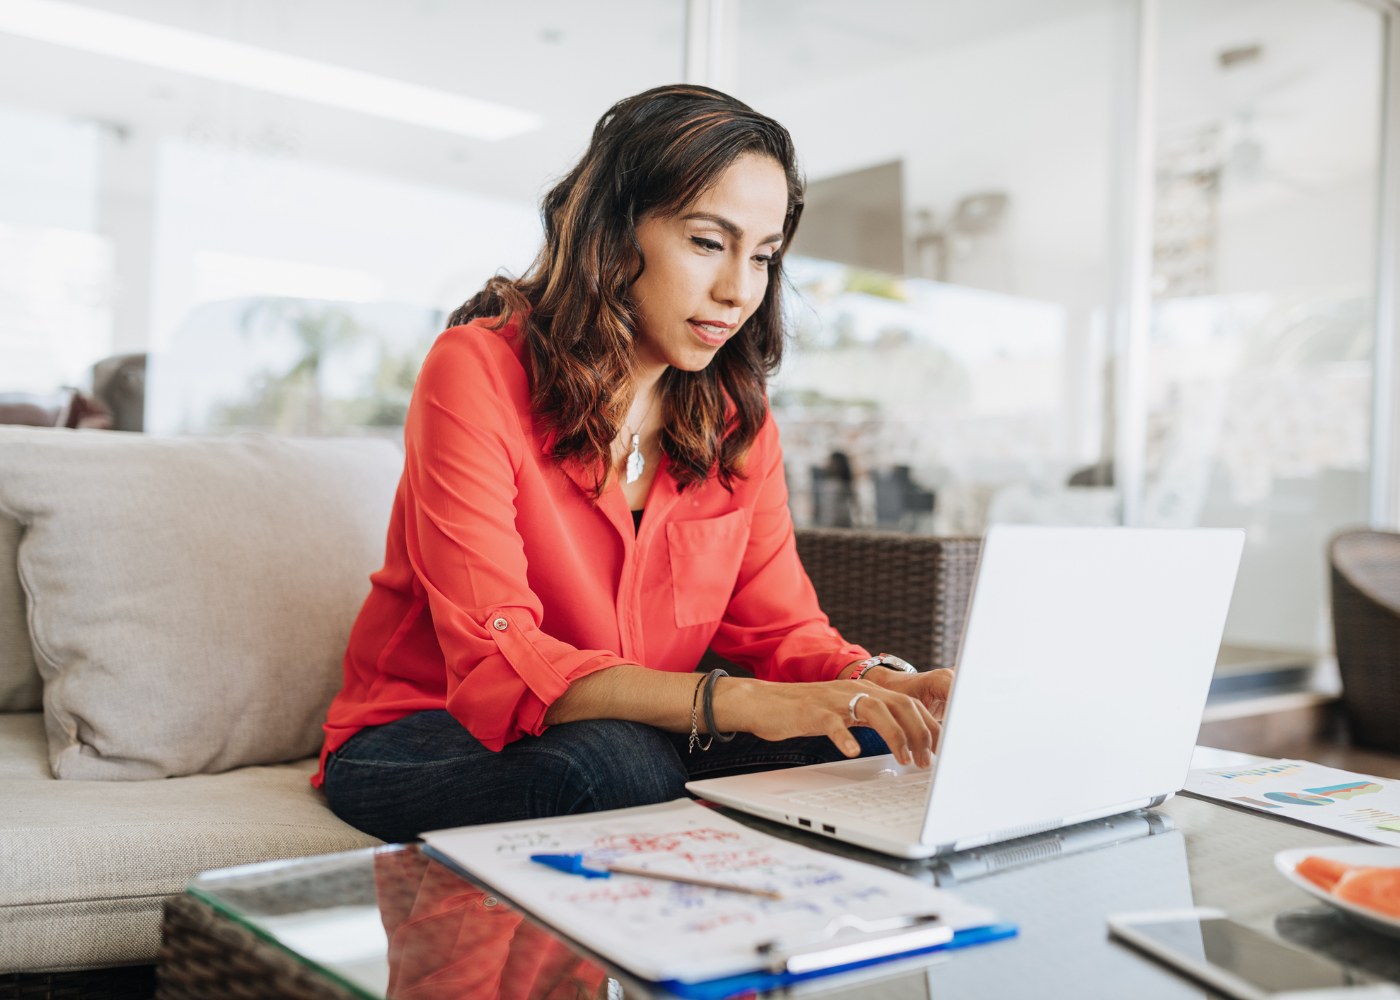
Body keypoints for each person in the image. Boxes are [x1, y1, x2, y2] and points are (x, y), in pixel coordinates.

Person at [316, 84, 953, 844]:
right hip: (423, 734)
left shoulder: (734, 423)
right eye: (708, 243)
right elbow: (499, 661)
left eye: (764, 256)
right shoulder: (476, 370)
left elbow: (784, 633)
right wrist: (745, 705)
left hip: (642, 729)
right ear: (615, 233)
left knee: (876, 740)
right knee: (619, 765)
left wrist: (880, 685)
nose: (738, 290)